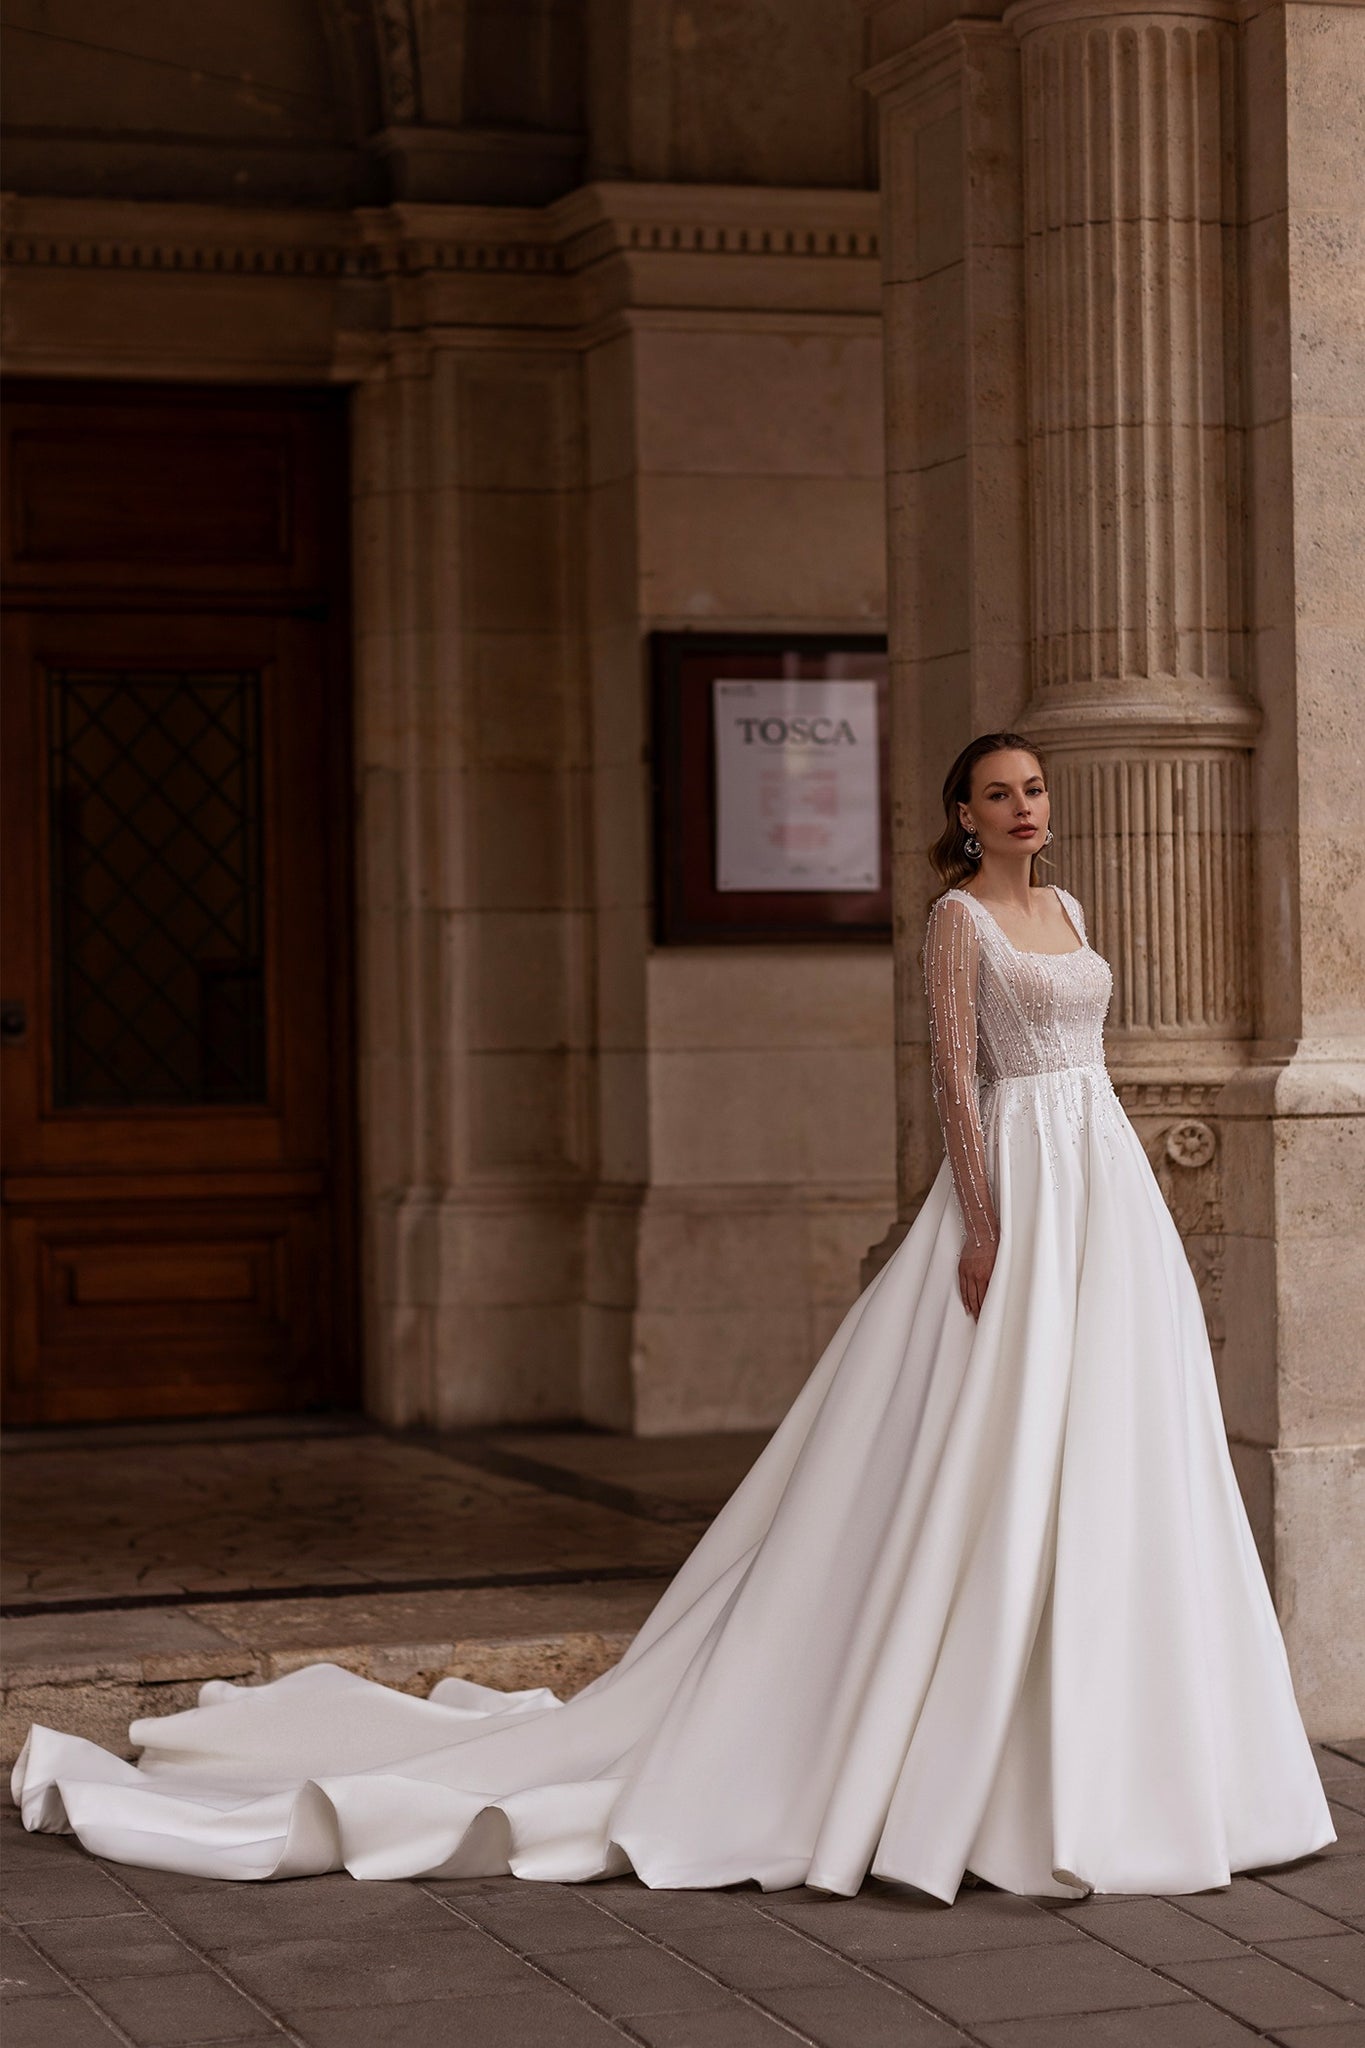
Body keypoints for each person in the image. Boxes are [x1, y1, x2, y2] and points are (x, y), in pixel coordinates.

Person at [12, 732, 1334, 1903]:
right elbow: (949, 1078)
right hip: (1020, 1179)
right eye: (1002, 795)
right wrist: (980, 1226)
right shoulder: (954, 922)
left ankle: (1147, 1753)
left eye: (1036, 789)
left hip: (1105, 1174)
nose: (1027, 808)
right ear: (964, 815)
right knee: (988, 1444)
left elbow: (1080, 1058)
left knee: (1121, 1440)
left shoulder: (1067, 902)